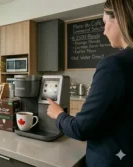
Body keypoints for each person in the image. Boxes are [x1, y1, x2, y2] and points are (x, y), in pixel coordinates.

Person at [46, 0, 133, 166]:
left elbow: (81, 129)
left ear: (118, 21)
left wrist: (58, 114)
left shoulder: (113, 65)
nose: (104, 31)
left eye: (105, 23)